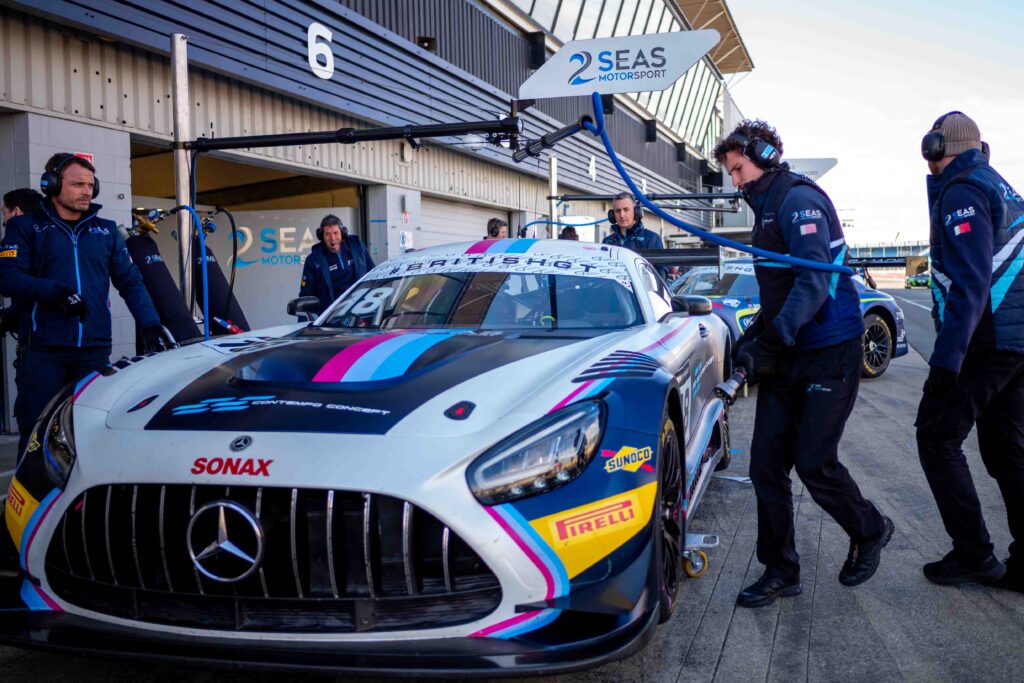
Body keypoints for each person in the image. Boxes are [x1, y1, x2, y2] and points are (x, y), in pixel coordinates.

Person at [713, 120, 892, 608]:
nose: (735, 181)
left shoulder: (798, 200)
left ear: (763, 155)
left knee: (814, 461)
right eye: (730, 173)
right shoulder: (766, 207)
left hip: (829, 353)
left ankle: (870, 529)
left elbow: (813, 285)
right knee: (767, 466)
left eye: (738, 168)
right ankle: (780, 569)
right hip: (789, 356)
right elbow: (779, 292)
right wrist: (754, 337)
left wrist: (771, 341)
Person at [915, 111, 1024, 592]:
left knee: (936, 439)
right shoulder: (1001, 186)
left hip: (984, 343)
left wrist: (946, 359)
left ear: (938, 146)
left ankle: (974, 553)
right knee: (1009, 451)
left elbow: (973, 280)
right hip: (1014, 343)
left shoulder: (961, 192)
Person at [0, 153, 164, 455]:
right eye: (77, 184)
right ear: (51, 185)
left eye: (90, 184)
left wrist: (151, 324)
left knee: (90, 432)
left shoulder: (105, 230)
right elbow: (8, 278)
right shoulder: (25, 227)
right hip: (43, 350)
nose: (86, 191)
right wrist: (57, 292)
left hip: (94, 349)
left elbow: (130, 282)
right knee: (38, 433)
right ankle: (31, 501)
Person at [299, 214, 375, 314]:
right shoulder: (313, 260)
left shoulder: (358, 248)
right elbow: (306, 296)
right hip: (330, 317)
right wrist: (305, 322)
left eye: (335, 233)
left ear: (342, 233)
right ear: (321, 236)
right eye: (327, 234)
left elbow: (373, 274)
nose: (332, 238)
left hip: (360, 310)